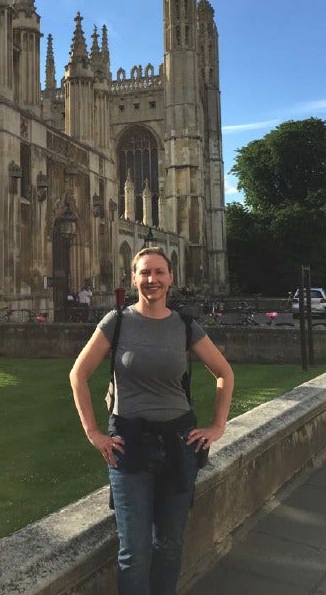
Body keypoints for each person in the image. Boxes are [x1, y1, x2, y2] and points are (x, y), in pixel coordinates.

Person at [69, 247, 234, 595]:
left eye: (159, 272)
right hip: (129, 445)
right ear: (133, 278)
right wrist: (94, 433)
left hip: (178, 445)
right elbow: (78, 374)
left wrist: (217, 426)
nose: (152, 279)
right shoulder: (117, 321)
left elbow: (224, 372)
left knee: (169, 546)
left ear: (170, 278)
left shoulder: (185, 326)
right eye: (144, 273)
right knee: (134, 552)